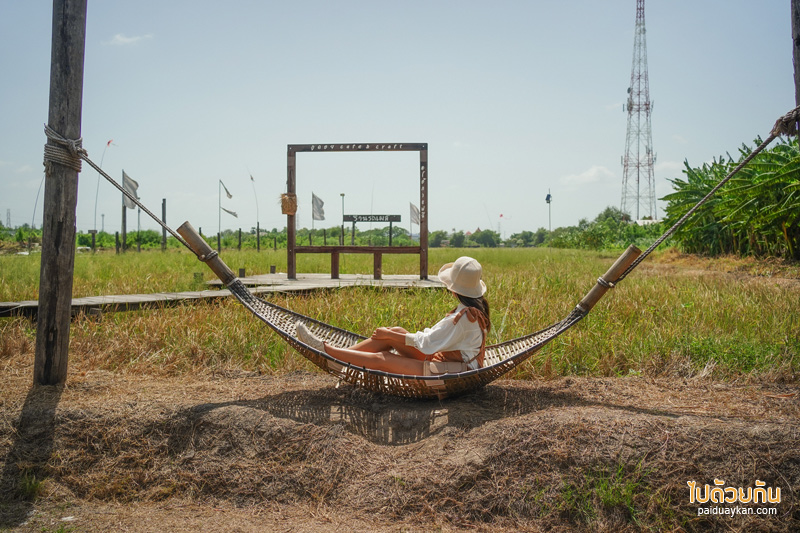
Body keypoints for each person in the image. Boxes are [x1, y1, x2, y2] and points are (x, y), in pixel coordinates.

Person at [296, 256, 491, 376]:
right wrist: (391, 335)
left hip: (456, 372)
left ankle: (328, 352)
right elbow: (433, 340)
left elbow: (429, 342)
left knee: (384, 358)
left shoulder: (466, 317)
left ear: (453, 289)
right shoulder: (471, 310)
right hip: (447, 360)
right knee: (394, 332)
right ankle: (341, 358)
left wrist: (388, 335)